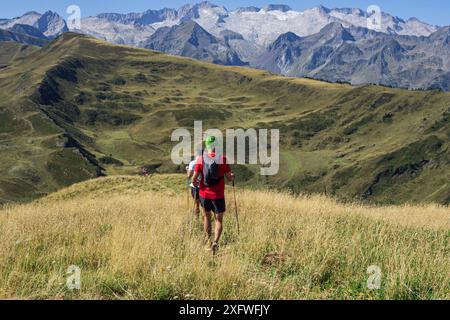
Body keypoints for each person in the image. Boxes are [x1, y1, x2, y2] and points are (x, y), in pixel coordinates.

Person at [192, 136, 234, 254]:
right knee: (218, 219)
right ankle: (215, 242)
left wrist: (198, 183)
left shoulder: (200, 159)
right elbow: (229, 178)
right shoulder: (223, 158)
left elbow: (194, 179)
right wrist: (232, 176)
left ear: (206, 145)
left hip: (204, 194)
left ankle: (207, 241)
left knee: (206, 217)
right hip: (218, 195)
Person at [186, 153, 201, 218]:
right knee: (205, 205)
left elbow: (189, 176)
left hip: (195, 186)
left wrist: (187, 169)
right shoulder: (207, 162)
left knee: (196, 204)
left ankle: (196, 218)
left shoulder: (192, 163)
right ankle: (205, 219)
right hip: (205, 186)